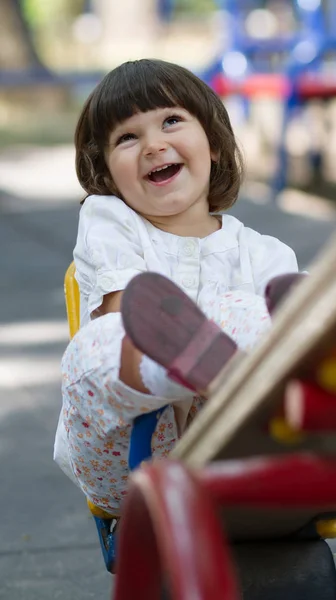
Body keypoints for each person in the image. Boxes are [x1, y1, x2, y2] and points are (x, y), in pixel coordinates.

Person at [54, 59, 298, 516]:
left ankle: (326, 328)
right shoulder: (109, 220)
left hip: (241, 448)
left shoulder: (266, 254)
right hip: (131, 461)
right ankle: (174, 364)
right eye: (127, 137)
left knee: (258, 312)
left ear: (215, 145)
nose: (153, 144)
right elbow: (126, 312)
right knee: (100, 346)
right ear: (106, 174)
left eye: (171, 121)